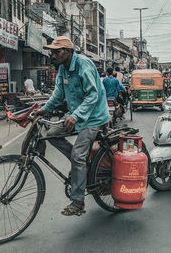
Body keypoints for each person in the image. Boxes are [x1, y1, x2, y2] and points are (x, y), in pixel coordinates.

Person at [34, 36, 109, 216]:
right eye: (51, 51)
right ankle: (80, 167)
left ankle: (78, 202)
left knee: (77, 155)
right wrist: (43, 110)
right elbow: (58, 94)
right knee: (51, 133)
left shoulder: (84, 65)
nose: (52, 55)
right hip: (77, 116)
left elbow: (93, 95)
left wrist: (75, 116)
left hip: (93, 118)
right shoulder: (63, 69)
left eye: (56, 51)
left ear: (67, 52)